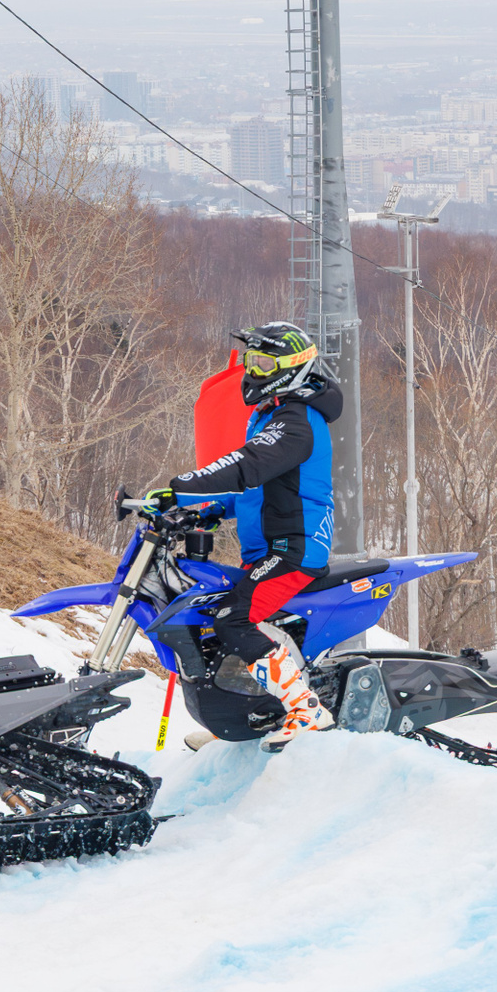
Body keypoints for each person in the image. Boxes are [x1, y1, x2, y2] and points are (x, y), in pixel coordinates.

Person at [162, 321, 344, 752]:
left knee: (233, 618)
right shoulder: (271, 414)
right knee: (217, 620)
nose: (251, 370)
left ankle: (306, 709)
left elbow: (247, 466)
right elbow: (258, 488)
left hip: (294, 548)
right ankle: (242, 717)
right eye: (250, 361)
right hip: (267, 548)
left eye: (262, 362)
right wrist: (207, 511)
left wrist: (181, 487)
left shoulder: (297, 420)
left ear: (290, 367)